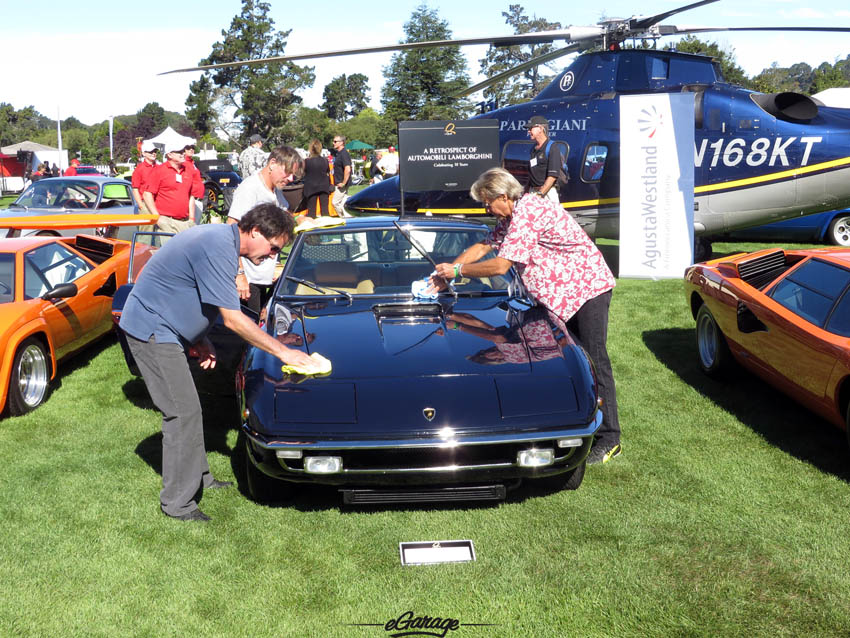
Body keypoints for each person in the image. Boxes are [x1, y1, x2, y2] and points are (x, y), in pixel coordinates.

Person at [120, 203, 321, 522]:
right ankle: (177, 503)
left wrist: (201, 337)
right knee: (181, 411)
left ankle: (200, 477)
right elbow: (233, 319)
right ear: (255, 231)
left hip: (169, 329)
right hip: (151, 331)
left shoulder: (223, 244)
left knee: (190, 409)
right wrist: (284, 352)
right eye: (273, 248)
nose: (273, 257)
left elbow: (187, 290)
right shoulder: (217, 245)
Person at [429, 167, 621, 465]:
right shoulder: (508, 218)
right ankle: (573, 420)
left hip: (586, 290)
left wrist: (457, 272)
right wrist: (447, 275)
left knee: (594, 359)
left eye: (487, 203)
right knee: (569, 360)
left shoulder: (529, 211)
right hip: (559, 296)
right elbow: (483, 246)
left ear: (503, 196)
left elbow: (500, 266)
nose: (486, 209)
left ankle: (609, 438)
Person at [227, 146, 304, 315]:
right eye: (287, 172)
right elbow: (231, 230)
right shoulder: (250, 188)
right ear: (272, 163)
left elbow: (286, 216)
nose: (291, 178)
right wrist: (239, 275)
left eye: (294, 174)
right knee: (250, 331)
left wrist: (302, 220)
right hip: (248, 278)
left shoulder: (275, 191)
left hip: (264, 275)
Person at [143, 142, 196, 235]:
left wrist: (192, 218)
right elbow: (147, 194)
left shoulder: (188, 170)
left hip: (185, 222)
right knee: (168, 249)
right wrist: (157, 218)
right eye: (179, 152)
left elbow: (191, 196)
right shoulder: (159, 171)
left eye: (183, 151)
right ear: (170, 155)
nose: (183, 153)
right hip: (166, 222)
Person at [525, 115, 563, 207]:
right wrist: (526, 192)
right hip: (533, 192)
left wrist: (540, 194)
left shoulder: (552, 148)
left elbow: (552, 176)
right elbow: (532, 174)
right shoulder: (533, 149)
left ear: (540, 128)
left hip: (547, 193)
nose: (528, 131)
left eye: (531, 128)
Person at [302, 139, 332, 218]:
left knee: (311, 213)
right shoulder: (325, 161)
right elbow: (327, 172)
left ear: (310, 149)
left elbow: (303, 174)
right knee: (325, 212)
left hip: (311, 187)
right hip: (324, 187)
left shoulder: (306, 161)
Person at [182, 143, 205, 223]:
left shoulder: (191, 163)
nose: (191, 149)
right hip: (192, 200)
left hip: (197, 199)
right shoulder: (184, 163)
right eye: (188, 148)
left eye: (192, 148)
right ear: (183, 150)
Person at [132, 143, 159, 212]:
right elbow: (135, 189)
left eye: (155, 151)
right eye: (150, 152)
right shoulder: (139, 169)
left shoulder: (160, 168)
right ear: (144, 154)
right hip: (145, 204)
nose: (153, 153)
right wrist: (141, 206)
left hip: (158, 203)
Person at [330, 135, 352, 215]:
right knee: (343, 203)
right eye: (333, 141)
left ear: (341, 143)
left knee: (335, 203)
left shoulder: (344, 154)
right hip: (339, 183)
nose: (333, 143)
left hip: (341, 184)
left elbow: (348, 169)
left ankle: (345, 218)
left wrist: (343, 183)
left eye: (335, 141)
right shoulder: (338, 153)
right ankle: (348, 219)